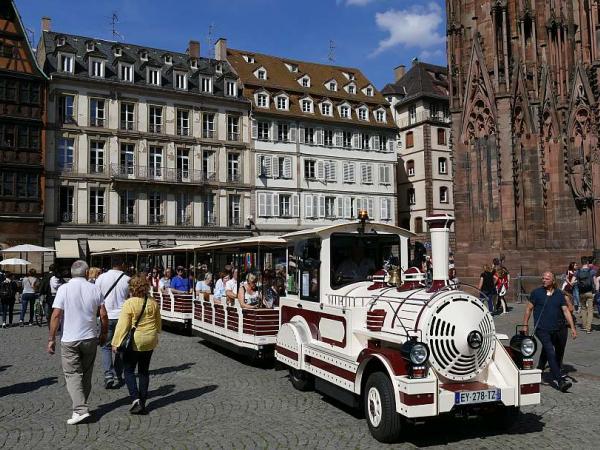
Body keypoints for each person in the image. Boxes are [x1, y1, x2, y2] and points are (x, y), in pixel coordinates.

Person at [47, 260, 109, 425]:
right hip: (89, 337)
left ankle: (80, 409)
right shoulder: (95, 288)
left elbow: (56, 315)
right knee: (86, 375)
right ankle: (79, 408)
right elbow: (103, 315)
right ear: (87, 272)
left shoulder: (64, 289)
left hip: (70, 338)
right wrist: (103, 334)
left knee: (73, 375)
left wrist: (51, 339)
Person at [111, 275, 161, 415]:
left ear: (132, 288)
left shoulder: (130, 303)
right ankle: (143, 402)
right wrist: (157, 332)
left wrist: (116, 342)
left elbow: (123, 325)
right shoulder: (152, 301)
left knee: (128, 370)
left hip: (135, 339)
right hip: (150, 338)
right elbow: (158, 322)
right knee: (144, 370)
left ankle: (135, 399)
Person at [523, 271, 577, 392]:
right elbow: (528, 309)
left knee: (547, 351)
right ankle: (560, 381)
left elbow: (566, 311)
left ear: (553, 281)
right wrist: (525, 325)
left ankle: (539, 370)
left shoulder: (559, 294)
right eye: (543, 278)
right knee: (550, 352)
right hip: (541, 329)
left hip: (556, 329)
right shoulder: (536, 293)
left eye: (547, 278)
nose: (544, 280)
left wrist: (572, 328)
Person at [95, 258, 130, 389]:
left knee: (106, 346)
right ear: (121, 264)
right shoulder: (127, 279)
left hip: (106, 316)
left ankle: (108, 375)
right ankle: (118, 374)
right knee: (120, 347)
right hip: (122, 316)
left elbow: (97, 297)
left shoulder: (101, 278)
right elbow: (129, 298)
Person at [576, 256, 596, 334]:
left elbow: (573, 281)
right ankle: (588, 328)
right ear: (587, 262)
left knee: (583, 309)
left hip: (581, 293)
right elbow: (595, 282)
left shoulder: (577, 272)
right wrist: (596, 291)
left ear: (581, 262)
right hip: (590, 292)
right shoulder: (592, 271)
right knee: (590, 310)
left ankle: (584, 326)